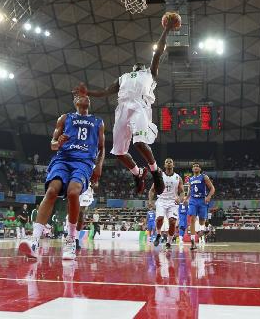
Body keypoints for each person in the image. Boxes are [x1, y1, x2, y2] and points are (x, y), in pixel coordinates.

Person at [73, 13, 181, 196]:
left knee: (139, 142)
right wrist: (88, 92)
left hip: (140, 107)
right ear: (132, 69)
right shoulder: (123, 78)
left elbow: (158, 51)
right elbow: (107, 91)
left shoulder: (150, 73)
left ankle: (155, 173)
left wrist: (166, 29)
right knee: (119, 152)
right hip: (122, 109)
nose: (137, 65)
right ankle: (138, 174)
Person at [19, 93, 104, 260]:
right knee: (51, 191)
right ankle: (34, 241)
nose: (84, 97)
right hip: (63, 159)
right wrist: (58, 143)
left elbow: (101, 147)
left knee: (73, 192)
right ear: (75, 102)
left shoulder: (97, 121)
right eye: (80, 96)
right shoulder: (65, 118)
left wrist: (99, 165)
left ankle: (71, 239)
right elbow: (52, 144)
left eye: (87, 96)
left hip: (83, 161)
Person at [149, 158, 183, 249]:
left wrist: (180, 199)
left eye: (170, 162)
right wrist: (150, 201)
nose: (168, 163)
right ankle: (159, 234)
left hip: (173, 202)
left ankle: (169, 242)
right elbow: (152, 190)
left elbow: (182, 192)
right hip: (161, 200)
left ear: (173, 165)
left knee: (172, 222)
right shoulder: (160, 176)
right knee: (160, 218)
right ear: (164, 165)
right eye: (167, 162)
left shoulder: (178, 177)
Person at [187, 162, 215, 250]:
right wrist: (186, 198)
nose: (195, 167)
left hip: (202, 200)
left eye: (197, 166)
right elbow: (189, 191)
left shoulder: (204, 177)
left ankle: (203, 227)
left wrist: (209, 196)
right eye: (194, 166)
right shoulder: (190, 179)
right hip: (193, 200)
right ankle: (192, 241)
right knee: (192, 218)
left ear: (200, 169)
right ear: (192, 169)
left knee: (202, 221)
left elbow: (212, 188)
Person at [75, 184, 96, 251]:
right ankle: (73, 238)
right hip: (78, 186)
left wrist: (93, 185)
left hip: (86, 190)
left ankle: (76, 239)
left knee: (80, 214)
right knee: (77, 214)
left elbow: (96, 183)